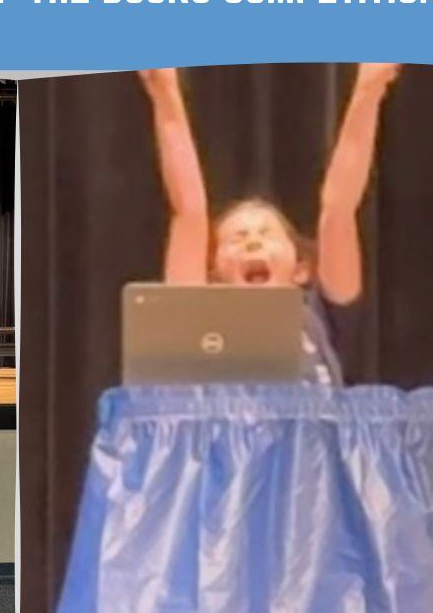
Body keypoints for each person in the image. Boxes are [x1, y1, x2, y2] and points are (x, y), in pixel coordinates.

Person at [139, 63, 403, 385]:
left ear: (301, 269)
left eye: (267, 234)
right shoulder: (199, 320)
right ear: (213, 275)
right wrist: (164, 93)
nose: (253, 241)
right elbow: (190, 211)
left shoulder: (322, 318)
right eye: (236, 238)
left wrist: (369, 91)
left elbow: (338, 209)